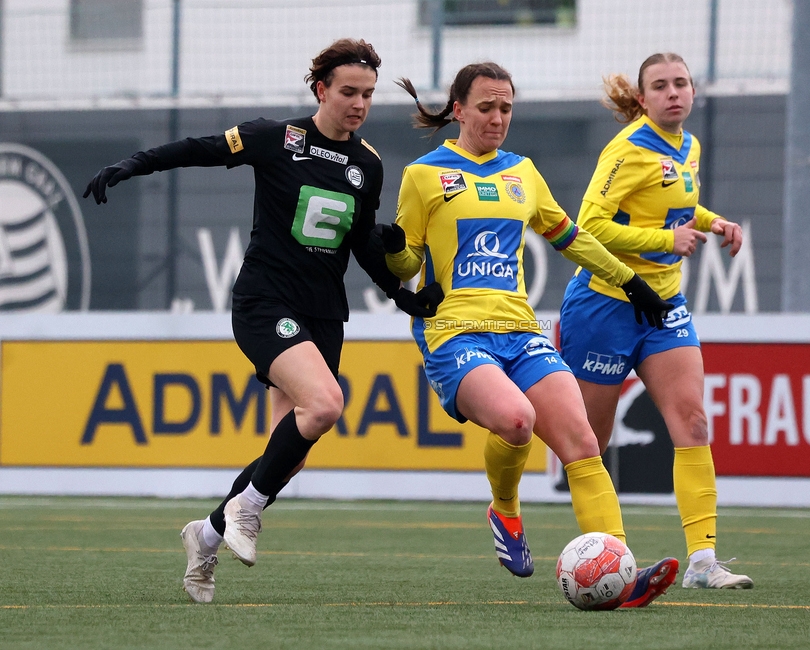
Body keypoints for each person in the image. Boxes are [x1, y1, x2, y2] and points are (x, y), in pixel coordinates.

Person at [82, 38, 443, 604]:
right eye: (348, 92)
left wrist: (402, 294)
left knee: (289, 458)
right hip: (265, 301)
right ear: (321, 89)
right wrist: (133, 164)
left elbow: (360, 242)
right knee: (325, 404)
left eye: (368, 94)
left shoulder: (367, 165)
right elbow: (197, 149)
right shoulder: (278, 138)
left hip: (323, 314)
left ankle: (205, 536)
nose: (358, 104)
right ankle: (245, 513)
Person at [376, 62, 678, 608]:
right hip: (454, 331)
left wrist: (631, 281)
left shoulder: (524, 172)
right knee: (518, 421)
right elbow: (406, 264)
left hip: (519, 329)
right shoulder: (424, 175)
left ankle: (621, 573)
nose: (497, 118)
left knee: (584, 444)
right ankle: (505, 509)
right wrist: (392, 247)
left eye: (506, 107)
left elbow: (571, 237)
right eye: (486, 107)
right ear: (459, 109)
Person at [558, 52, 753, 589]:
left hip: (664, 307)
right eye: (661, 86)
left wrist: (716, 223)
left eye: (682, 83)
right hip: (605, 304)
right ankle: (611, 565)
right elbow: (589, 225)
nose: (674, 93)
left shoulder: (688, 146)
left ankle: (703, 562)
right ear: (642, 99)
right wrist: (665, 242)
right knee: (590, 444)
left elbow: (677, 206)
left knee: (692, 423)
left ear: (694, 92)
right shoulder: (627, 148)